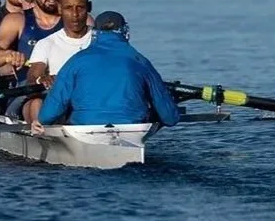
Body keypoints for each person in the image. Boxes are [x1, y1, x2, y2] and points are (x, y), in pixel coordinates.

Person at [30, 11, 181, 132]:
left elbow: (50, 112)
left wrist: (41, 121)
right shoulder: (141, 61)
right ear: (125, 32)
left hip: (85, 128)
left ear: (95, 33)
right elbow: (170, 118)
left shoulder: (76, 61)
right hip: (132, 129)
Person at [11, 0, 94, 121]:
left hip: (91, 100)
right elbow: (32, 78)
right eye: (69, 8)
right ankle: (43, 136)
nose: (75, 14)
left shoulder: (101, 39)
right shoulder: (46, 44)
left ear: (89, 7)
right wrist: (42, 79)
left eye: (80, 8)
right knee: (36, 103)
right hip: (60, 106)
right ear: (60, 9)